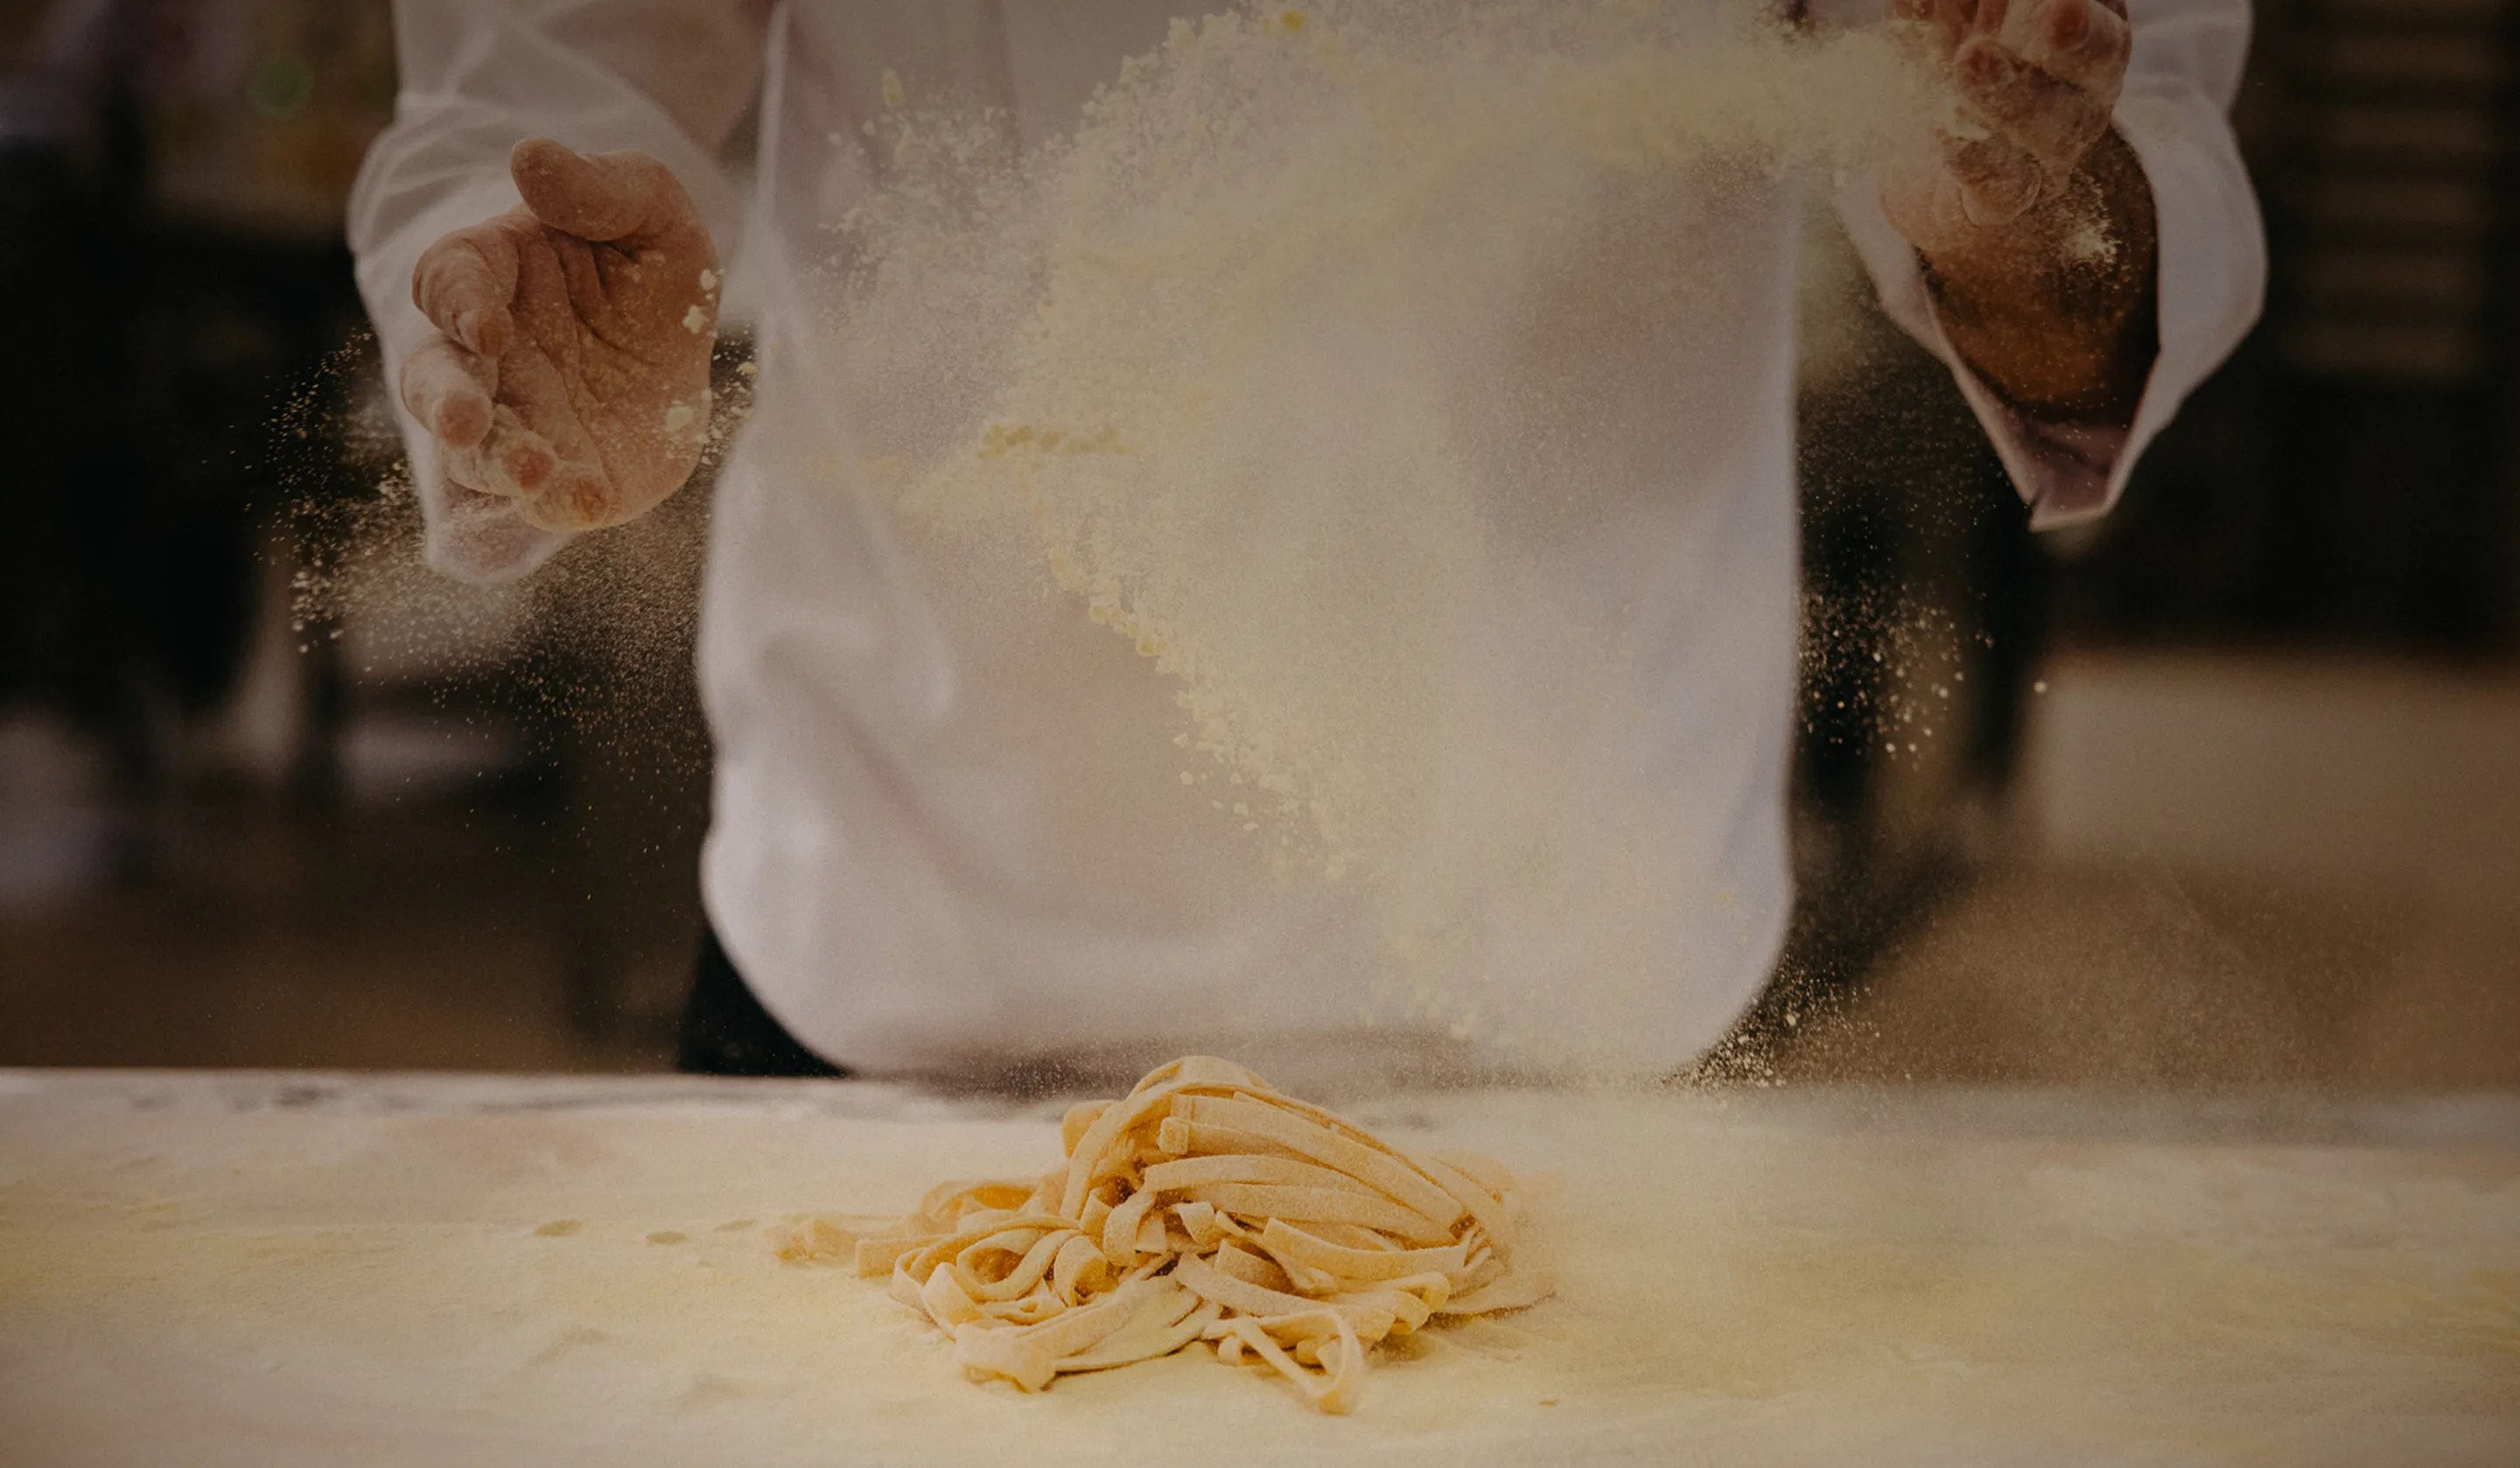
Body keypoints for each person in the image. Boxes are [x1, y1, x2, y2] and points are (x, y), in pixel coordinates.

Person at [348, 0, 2261, 1082]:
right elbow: (542, 70)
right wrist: (518, 301)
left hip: (1559, 976)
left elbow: (2109, 176)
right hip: (910, 945)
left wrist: (2022, 202)